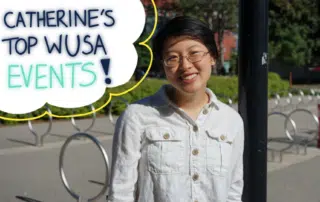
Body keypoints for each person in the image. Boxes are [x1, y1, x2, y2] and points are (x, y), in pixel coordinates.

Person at [107, 16, 244, 202]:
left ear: (212, 56)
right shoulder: (137, 117)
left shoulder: (231, 120)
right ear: (163, 65)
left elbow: (233, 190)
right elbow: (121, 192)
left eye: (194, 53)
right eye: (172, 58)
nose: (185, 65)